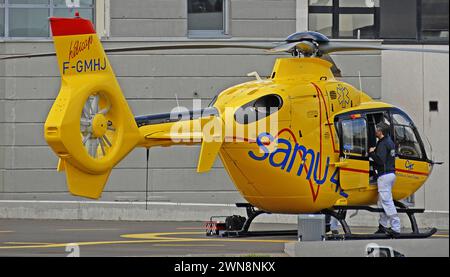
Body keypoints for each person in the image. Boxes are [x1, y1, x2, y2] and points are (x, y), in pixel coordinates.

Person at [369, 122, 401, 237]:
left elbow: (380, 161)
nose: (375, 132)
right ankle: (382, 226)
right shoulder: (389, 142)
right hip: (390, 174)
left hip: (384, 175)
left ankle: (396, 228)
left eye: (377, 130)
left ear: (381, 132)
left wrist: (372, 153)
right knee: (381, 202)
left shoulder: (382, 144)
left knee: (386, 202)